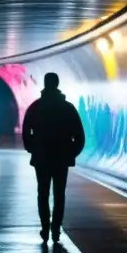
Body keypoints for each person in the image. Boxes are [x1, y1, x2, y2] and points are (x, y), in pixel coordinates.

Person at [22, 73, 85, 244]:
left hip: (41, 158)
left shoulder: (35, 107)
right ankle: (56, 229)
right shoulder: (68, 108)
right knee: (59, 195)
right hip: (61, 159)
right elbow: (79, 135)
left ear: (45, 84)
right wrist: (71, 153)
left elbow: (26, 131)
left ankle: (45, 228)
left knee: (42, 194)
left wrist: (33, 149)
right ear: (58, 84)